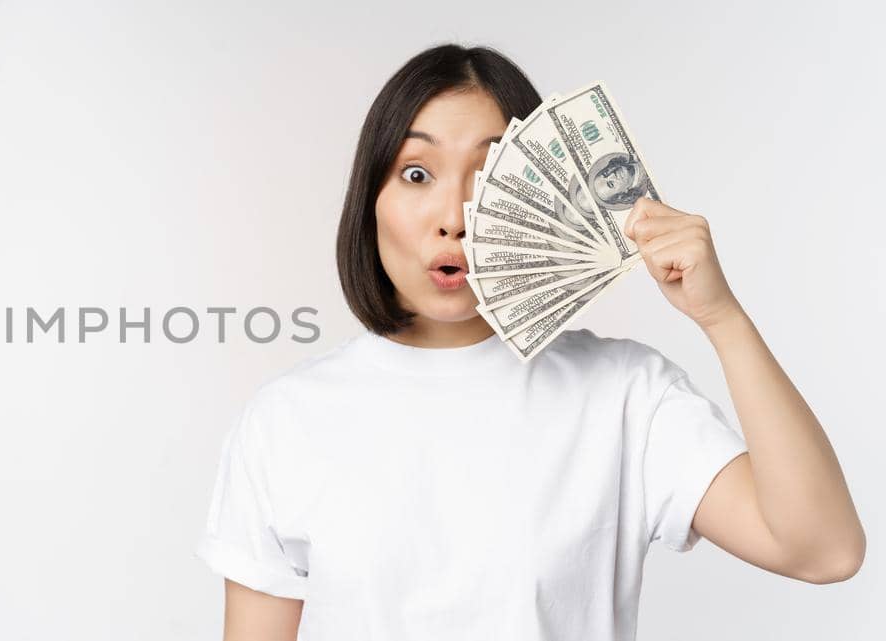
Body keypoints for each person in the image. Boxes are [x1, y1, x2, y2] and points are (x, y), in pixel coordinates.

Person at [194, 44, 865, 641]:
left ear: (541, 194)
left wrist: (724, 320)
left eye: (487, 178)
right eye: (417, 174)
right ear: (370, 200)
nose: (453, 219)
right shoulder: (286, 420)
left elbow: (824, 549)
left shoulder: (625, 395)